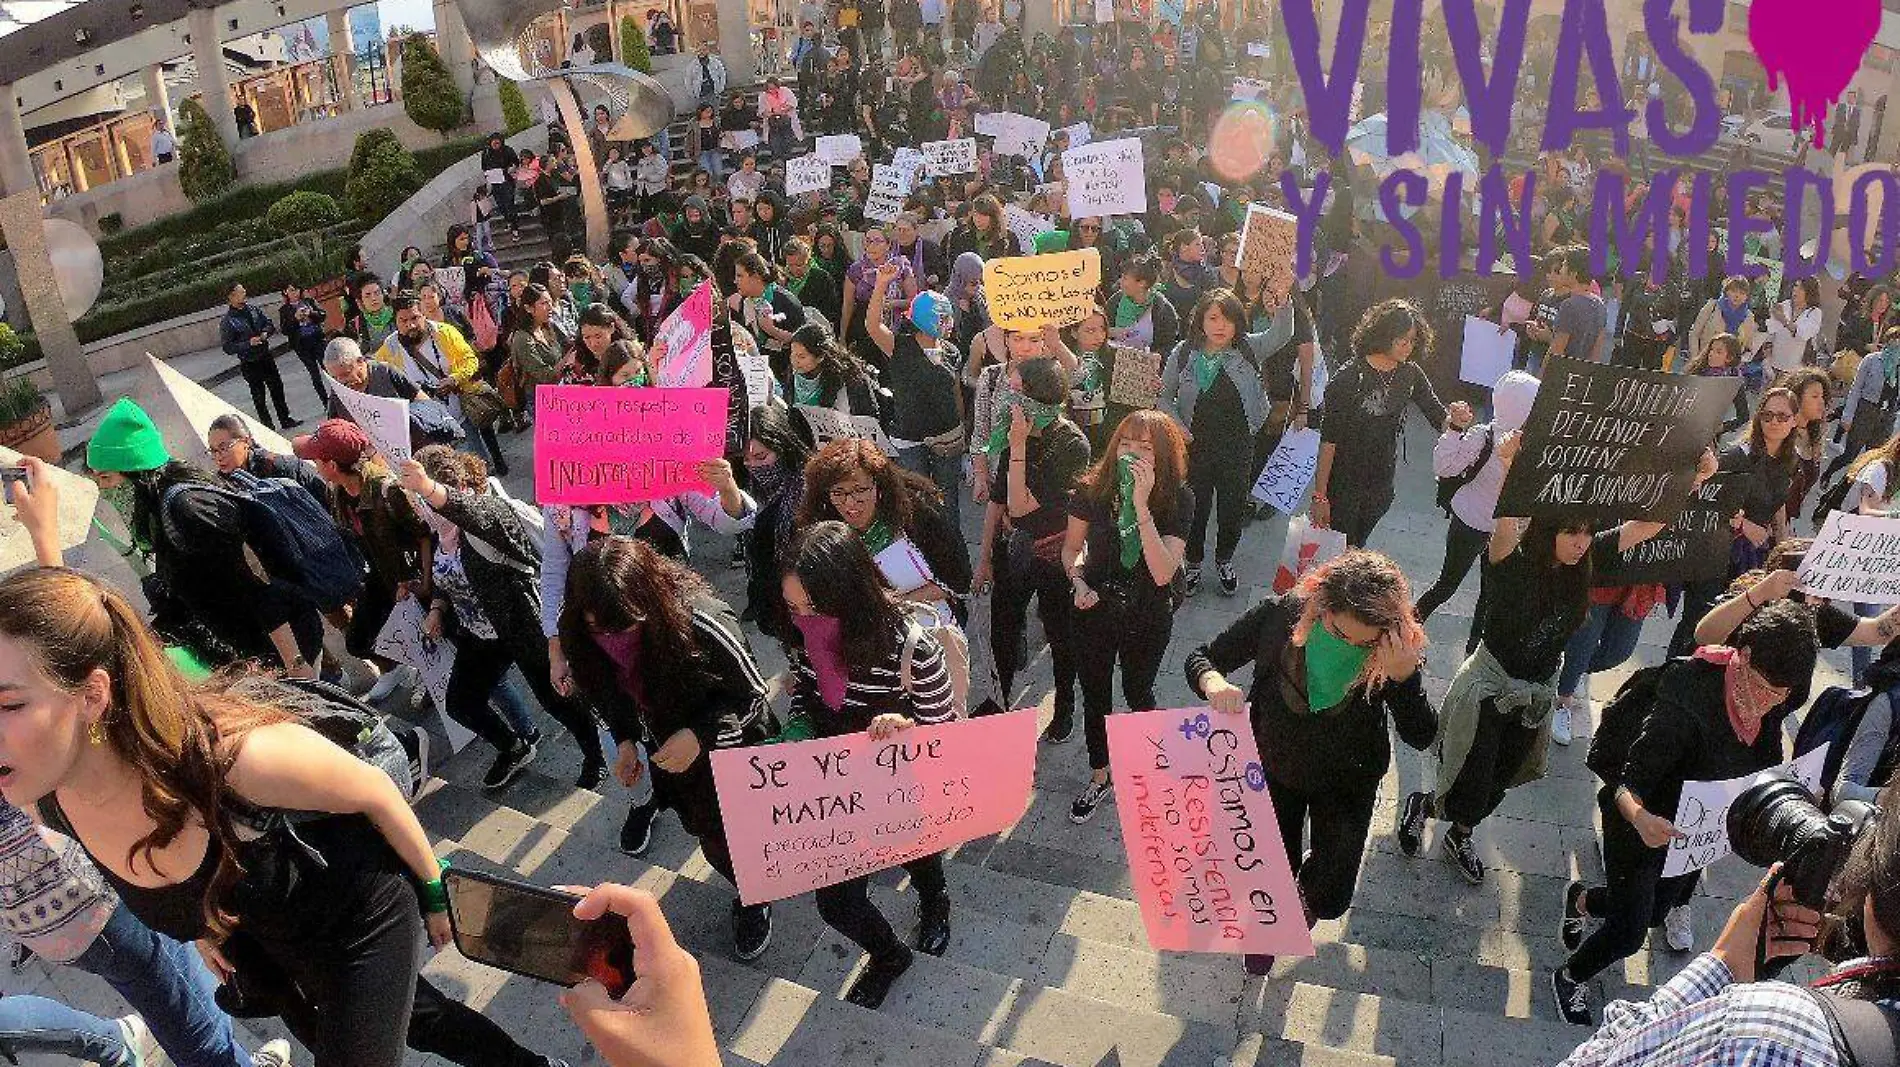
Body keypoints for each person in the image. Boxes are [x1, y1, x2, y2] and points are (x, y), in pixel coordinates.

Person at [0, 565, 447, 1067]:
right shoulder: (50, 801)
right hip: (277, 945)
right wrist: (206, 928)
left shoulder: (232, 757)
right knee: (417, 1024)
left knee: (404, 1029)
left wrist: (434, 890)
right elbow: (176, 879)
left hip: (364, 918)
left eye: (8, 705)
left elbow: (376, 790)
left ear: (92, 696)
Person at [1405, 439, 1707, 883]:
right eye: (1571, 532)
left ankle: (1452, 826)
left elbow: (1645, 528)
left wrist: (1693, 479)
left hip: (1537, 693)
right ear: (1549, 530)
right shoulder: (1512, 560)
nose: (1581, 542)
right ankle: (1431, 809)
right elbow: (1506, 520)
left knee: (1501, 777)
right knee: (1471, 773)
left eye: (1587, 532)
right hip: (1491, 686)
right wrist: (1508, 463)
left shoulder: (1589, 561)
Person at [1553, 600, 1820, 1026]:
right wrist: (1640, 818)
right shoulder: (1687, 698)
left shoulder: (1778, 690)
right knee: (1628, 932)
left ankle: (1583, 898)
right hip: (1643, 823)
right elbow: (1626, 781)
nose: (1771, 704)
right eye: (1766, 689)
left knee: (1658, 910)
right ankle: (1570, 975)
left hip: (1695, 832)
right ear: (1744, 656)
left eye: (1782, 696)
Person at [1187, 549, 1436, 976]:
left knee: (1333, 897)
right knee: (1267, 878)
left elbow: (1422, 734)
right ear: (1320, 607)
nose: (1353, 649)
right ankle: (1269, 926)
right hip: (1273, 770)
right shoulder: (1280, 618)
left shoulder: (1395, 652)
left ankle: (1306, 894)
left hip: (1347, 784)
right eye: (1341, 635)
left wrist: (1404, 678)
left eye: (1365, 642)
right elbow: (1202, 657)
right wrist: (1214, 684)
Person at [559, 537, 778, 962]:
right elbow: (606, 695)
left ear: (648, 600)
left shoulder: (702, 621)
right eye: (599, 629)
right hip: (670, 758)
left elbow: (753, 696)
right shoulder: (581, 636)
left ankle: (756, 897)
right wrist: (625, 741)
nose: (612, 641)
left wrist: (700, 735)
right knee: (708, 835)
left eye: (624, 627)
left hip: (728, 750)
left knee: (728, 839)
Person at [778, 522, 957, 1007]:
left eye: (812, 606)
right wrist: (796, 729)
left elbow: (946, 729)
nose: (803, 618)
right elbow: (807, 696)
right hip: (837, 781)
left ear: (848, 593)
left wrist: (906, 724)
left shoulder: (913, 647)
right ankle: (888, 954)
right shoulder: (805, 639)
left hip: (900, 777)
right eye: (794, 607)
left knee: (918, 850)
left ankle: (934, 899)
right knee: (835, 900)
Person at [398, 447, 609, 788]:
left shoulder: (489, 514)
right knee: (461, 702)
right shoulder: (443, 531)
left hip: (522, 625)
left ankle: (596, 754)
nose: (418, 511)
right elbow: (448, 574)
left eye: (420, 500)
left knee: (559, 700)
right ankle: (513, 747)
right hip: (480, 633)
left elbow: (474, 513)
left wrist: (428, 489)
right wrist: (438, 606)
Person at [85, 398, 323, 676]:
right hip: (256, 654)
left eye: (106, 479)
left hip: (287, 648)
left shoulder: (188, 508)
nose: (103, 491)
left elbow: (256, 584)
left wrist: (295, 666)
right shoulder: (159, 510)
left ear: (136, 473)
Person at [1060, 410, 1192, 820]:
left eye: (1145, 448)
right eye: (1126, 444)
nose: (1132, 454)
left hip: (1147, 609)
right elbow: (1072, 549)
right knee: (1096, 693)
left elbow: (1163, 570)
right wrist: (1078, 582)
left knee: (1138, 692)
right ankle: (1100, 775)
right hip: (1096, 603)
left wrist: (1140, 504)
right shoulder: (1090, 489)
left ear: (1163, 455)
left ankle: (1153, 756)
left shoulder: (1178, 497)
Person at [973, 356, 1090, 724]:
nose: (1009, 398)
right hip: (1013, 547)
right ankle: (998, 698)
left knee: (1060, 633)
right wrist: (985, 557)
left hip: (1054, 552)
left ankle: (1064, 707)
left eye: (1017, 390)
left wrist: (1019, 445)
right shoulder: (1013, 431)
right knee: (1003, 629)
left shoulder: (1070, 444)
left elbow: (1022, 507)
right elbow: (999, 499)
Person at [1313, 298, 1474, 548]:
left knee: (1357, 546)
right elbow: (1328, 441)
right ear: (1383, 334)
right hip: (1344, 484)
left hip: (1381, 484)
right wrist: (1320, 495)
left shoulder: (1410, 373)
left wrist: (1455, 420)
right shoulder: (1346, 379)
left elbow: (1437, 416)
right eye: (1402, 339)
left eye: (1412, 340)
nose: (1407, 347)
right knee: (1342, 549)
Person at [293, 419, 425, 704]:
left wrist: (419, 582)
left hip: (413, 576)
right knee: (358, 641)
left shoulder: (388, 490)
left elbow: (425, 535)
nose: (313, 465)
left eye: (316, 459)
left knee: (429, 637)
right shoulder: (338, 492)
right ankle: (398, 670)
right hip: (379, 577)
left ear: (330, 464)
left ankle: (427, 678)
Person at [1666, 386, 1800, 658]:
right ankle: (1667, 679)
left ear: (1794, 420)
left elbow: (1777, 503)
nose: (1774, 422)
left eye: (1782, 416)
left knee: (1731, 628)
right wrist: (1743, 523)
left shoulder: (1790, 461)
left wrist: (1782, 540)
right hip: (1711, 552)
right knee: (1698, 624)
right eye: (1768, 415)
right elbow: (1702, 498)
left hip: (1748, 560)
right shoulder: (1737, 455)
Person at [1159, 289, 1274, 595]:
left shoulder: (1248, 348)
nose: (1220, 326)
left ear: (1238, 323)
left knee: (1232, 507)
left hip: (1238, 446)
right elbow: (1163, 397)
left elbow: (1283, 333)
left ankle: (1224, 559)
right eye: (1212, 318)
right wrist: (1179, 427)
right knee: (1195, 508)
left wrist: (1285, 302)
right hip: (1194, 447)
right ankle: (1193, 562)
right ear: (1200, 321)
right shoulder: (1183, 353)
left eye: (1228, 319)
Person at [1413, 371, 1541, 638]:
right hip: (1470, 524)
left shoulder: (1534, 444)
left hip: (1502, 532)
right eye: (1533, 405)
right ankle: (1406, 627)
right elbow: (1444, 467)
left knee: (1490, 594)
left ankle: (1473, 651)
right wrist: (1454, 430)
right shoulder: (1483, 436)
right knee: (1447, 585)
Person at [797, 438, 970, 621]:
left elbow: (957, 579)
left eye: (860, 490)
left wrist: (895, 605)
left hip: (934, 627)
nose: (850, 503)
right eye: (838, 493)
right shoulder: (823, 528)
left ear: (879, 487)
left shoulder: (919, 514)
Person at [866, 279, 965, 524]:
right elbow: (872, 325)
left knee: (947, 500)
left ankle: (950, 550)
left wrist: (963, 431)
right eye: (942, 318)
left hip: (947, 439)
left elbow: (956, 394)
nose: (948, 324)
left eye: (948, 318)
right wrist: (881, 284)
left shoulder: (952, 351)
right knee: (915, 500)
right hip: (907, 439)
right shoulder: (899, 346)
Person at [378, 292, 509, 474]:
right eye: (403, 321)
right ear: (396, 322)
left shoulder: (444, 332)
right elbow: (378, 377)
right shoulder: (389, 349)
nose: (411, 325)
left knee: (476, 470)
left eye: (415, 318)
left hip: (459, 415)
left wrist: (455, 378)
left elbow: (470, 359)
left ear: (423, 314)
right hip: (428, 427)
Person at [219, 283, 299, 431]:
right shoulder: (228, 321)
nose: (244, 293)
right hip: (249, 362)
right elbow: (228, 347)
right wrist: (248, 343)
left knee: (277, 388)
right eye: (241, 292)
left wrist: (265, 333)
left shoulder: (254, 310)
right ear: (231, 296)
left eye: (244, 291)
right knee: (259, 396)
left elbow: (269, 324)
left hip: (265, 356)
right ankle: (268, 427)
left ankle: (285, 419)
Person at [1520, 245, 1607, 370]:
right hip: (1576, 375)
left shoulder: (1569, 305)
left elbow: (1556, 351)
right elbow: (1596, 353)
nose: (1561, 270)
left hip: (1557, 374)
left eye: (1565, 265)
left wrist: (1541, 381)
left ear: (1573, 273)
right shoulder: (1600, 304)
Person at [203, 413, 327, 500]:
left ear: (246, 441)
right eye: (213, 451)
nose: (218, 457)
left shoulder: (284, 468)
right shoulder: (223, 486)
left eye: (223, 448)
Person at [277, 282, 330, 401]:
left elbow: (323, 315)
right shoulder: (284, 310)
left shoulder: (309, 302)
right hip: (302, 345)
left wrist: (311, 313)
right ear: (285, 292)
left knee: (328, 369)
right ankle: (325, 401)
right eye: (290, 290)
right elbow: (285, 330)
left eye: (296, 290)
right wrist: (295, 318)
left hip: (317, 339)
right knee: (315, 375)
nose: (294, 293)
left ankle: (339, 396)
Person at [1764, 276, 1825, 377]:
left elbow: (1804, 334)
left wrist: (1784, 320)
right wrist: (1767, 352)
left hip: (1796, 369)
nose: (1795, 290)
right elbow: (1771, 331)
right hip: (1773, 364)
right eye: (1796, 286)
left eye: (1801, 288)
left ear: (1809, 292)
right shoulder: (1785, 305)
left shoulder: (1815, 313)